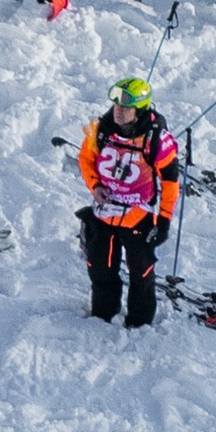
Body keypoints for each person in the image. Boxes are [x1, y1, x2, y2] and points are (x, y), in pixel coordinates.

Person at [78, 73, 181, 325]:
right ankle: (102, 314)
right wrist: (95, 186)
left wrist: (164, 220)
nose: (119, 112)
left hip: (138, 218)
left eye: (126, 107)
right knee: (101, 270)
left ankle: (139, 321)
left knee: (141, 275)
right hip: (104, 215)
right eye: (116, 105)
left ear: (140, 109)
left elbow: (170, 183)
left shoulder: (156, 140)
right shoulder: (100, 130)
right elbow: (86, 160)